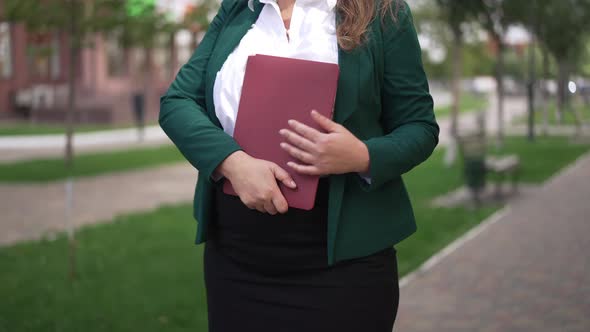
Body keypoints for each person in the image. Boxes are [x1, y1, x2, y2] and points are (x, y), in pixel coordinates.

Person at [159, 0, 439, 331]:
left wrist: (362, 155)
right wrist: (231, 162)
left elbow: (420, 127)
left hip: (343, 272)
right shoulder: (238, 8)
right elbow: (178, 101)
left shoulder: (384, 12)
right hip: (235, 264)